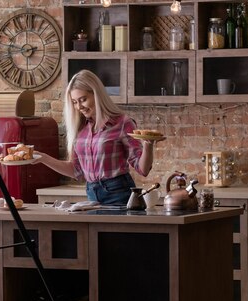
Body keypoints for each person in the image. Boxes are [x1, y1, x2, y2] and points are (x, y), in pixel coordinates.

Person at [35, 70, 163, 205]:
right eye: (74, 102)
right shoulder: (80, 128)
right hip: (91, 193)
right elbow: (76, 171)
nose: (79, 107)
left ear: (96, 95)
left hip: (118, 193)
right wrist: (43, 158)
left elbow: (143, 170)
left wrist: (148, 144)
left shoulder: (122, 123)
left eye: (83, 100)